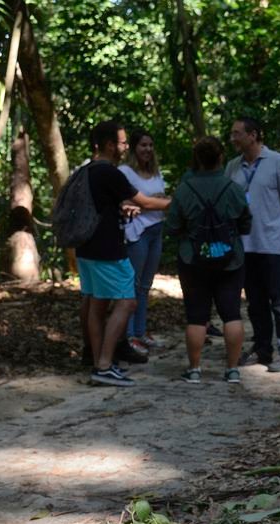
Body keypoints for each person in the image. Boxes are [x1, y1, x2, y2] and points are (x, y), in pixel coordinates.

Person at [78, 120, 169, 386]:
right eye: (123, 142)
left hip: (86, 247)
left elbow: (105, 204)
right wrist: (177, 203)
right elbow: (146, 202)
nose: (125, 146)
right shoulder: (110, 172)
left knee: (97, 304)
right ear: (109, 145)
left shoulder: (87, 170)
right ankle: (105, 364)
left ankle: (99, 363)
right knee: (128, 301)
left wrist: (121, 209)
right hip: (107, 248)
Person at [165, 136, 251, 384]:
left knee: (196, 316)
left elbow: (171, 227)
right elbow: (245, 224)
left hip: (193, 260)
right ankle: (232, 370)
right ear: (221, 158)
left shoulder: (184, 189)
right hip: (230, 260)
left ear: (196, 160)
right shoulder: (233, 188)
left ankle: (194, 369)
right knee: (231, 313)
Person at [225, 116, 280, 373]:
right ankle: (262, 349)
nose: (232, 138)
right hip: (243, 245)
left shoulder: (276, 161)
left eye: (237, 133)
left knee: (279, 299)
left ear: (254, 135)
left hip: (271, 243)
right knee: (255, 301)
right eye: (232, 134)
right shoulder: (232, 166)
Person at [119, 128, 166, 358]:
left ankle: (140, 331)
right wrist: (155, 202)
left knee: (146, 286)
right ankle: (127, 335)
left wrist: (151, 203)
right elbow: (131, 202)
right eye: (143, 145)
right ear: (134, 148)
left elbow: (152, 202)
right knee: (133, 285)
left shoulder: (156, 172)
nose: (147, 149)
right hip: (137, 233)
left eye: (150, 145)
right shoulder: (125, 172)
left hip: (156, 230)